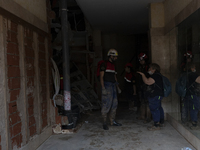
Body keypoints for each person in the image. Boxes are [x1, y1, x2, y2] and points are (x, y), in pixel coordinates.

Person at [99, 48, 122, 130]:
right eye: (115, 57)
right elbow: (101, 77)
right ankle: (104, 123)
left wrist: (117, 87)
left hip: (113, 86)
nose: (116, 58)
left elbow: (114, 77)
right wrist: (103, 88)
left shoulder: (113, 65)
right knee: (106, 104)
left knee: (114, 104)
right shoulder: (104, 64)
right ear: (111, 56)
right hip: (107, 86)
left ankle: (112, 121)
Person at [137, 63, 164, 131]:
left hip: (154, 95)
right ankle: (160, 122)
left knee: (154, 109)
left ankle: (156, 125)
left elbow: (147, 82)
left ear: (154, 69)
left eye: (150, 68)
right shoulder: (158, 75)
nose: (148, 70)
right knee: (158, 108)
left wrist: (143, 75)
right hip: (157, 95)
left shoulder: (155, 76)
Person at [183, 62, 200, 130]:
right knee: (194, 108)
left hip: (188, 94)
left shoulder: (185, 74)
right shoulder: (192, 75)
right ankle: (194, 123)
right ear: (191, 68)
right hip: (193, 94)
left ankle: (186, 121)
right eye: (193, 67)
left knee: (188, 107)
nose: (195, 69)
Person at [136, 52, 151, 123]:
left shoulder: (148, 67)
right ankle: (142, 115)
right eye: (140, 60)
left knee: (147, 102)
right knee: (142, 101)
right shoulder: (140, 67)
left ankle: (148, 117)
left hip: (147, 87)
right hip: (141, 86)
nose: (141, 61)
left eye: (142, 60)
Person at [180, 51, 193, 124]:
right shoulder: (183, 68)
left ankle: (191, 119)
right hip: (185, 90)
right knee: (184, 105)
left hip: (191, 90)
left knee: (192, 105)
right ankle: (184, 119)